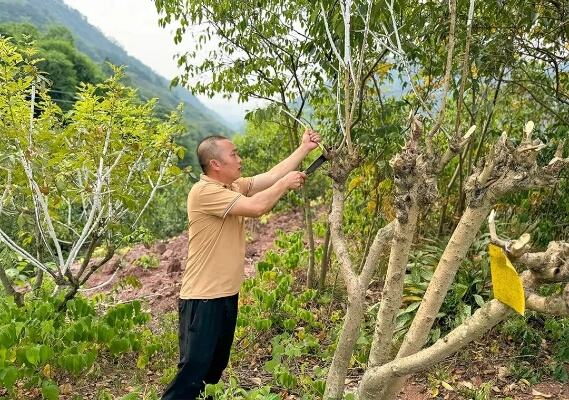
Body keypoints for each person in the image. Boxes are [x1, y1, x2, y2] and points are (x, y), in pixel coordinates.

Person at [162, 129, 321, 400]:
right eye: (233, 154)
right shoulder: (205, 192)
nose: (239, 159)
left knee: (213, 372)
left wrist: (305, 148)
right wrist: (285, 185)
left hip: (226, 295)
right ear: (215, 164)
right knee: (192, 374)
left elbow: (270, 176)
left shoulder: (231, 186)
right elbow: (258, 206)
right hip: (203, 299)